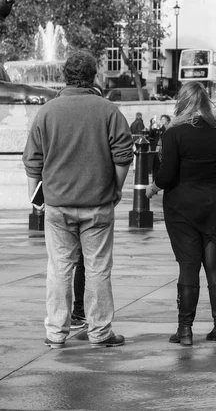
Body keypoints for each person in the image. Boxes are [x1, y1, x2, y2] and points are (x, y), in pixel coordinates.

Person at [23, 50, 133, 349]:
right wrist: (117, 188)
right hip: (97, 202)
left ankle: (56, 332)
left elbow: (33, 160)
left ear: (64, 76)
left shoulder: (47, 111)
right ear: (94, 76)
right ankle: (100, 332)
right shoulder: (108, 110)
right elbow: (123, 155)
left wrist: (36, 197)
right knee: (97, 268)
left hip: (58, 203)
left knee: (59, 268)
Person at [146, 82, 216, 346]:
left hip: (182, 205)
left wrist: (153, 187)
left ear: (181, 102)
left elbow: (167, 173)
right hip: (215, 203)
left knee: (188, 265)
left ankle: (185, 330)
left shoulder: (174, 133)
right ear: (205, 102)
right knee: (214, 265)